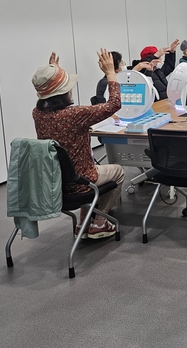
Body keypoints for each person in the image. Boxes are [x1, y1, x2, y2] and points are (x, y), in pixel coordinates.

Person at [32, 50, 125, 239]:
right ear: (64, 93)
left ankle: (83, 223)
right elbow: (114, 104)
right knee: (118, 171)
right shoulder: (75, 115)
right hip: (81, 181)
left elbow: (50, 98)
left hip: (57, 181)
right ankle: (100, 222)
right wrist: (110, 73)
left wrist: (54, 73)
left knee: (87, 171)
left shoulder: (37, 114)